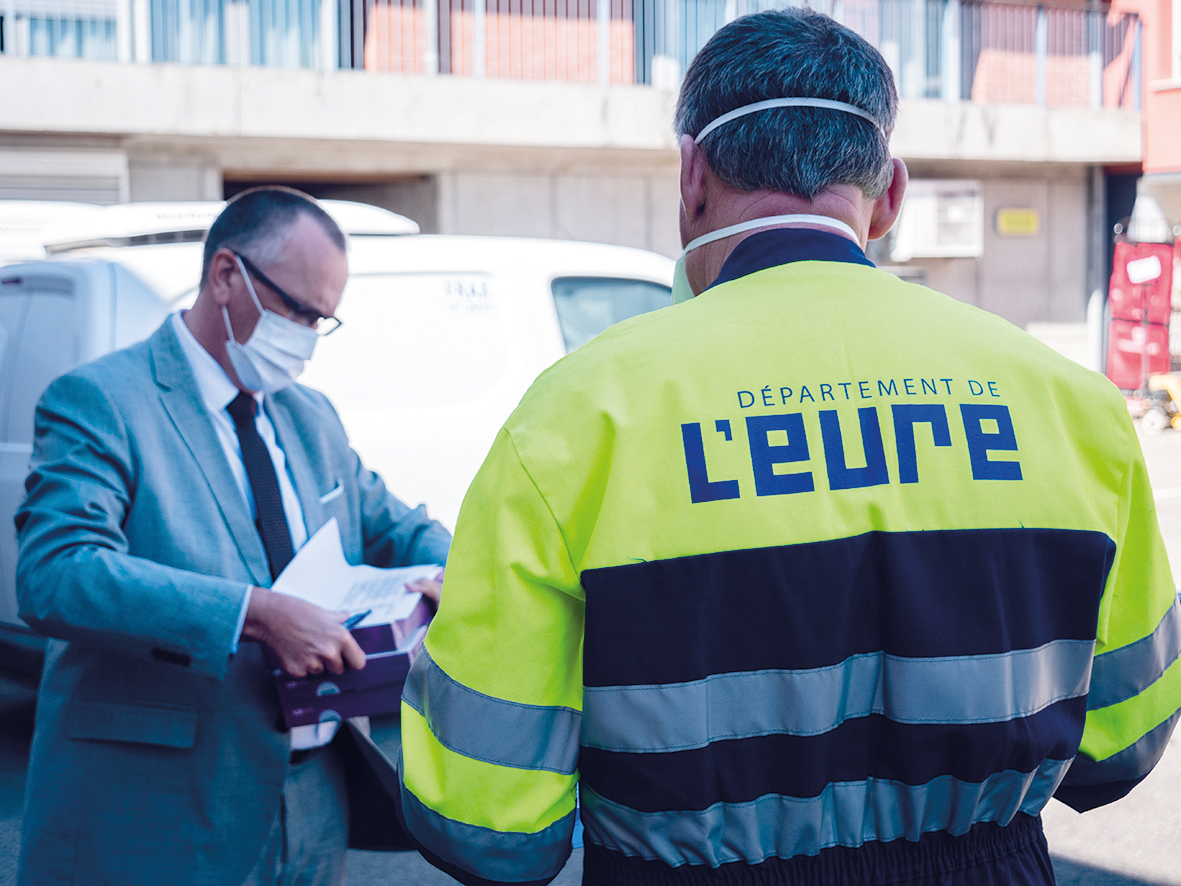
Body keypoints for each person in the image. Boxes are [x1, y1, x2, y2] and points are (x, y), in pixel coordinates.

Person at [395, 9, 1181, 886]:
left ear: (691, 175)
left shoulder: (574, 417)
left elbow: (487, 823)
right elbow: (1121, 744)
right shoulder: (1070, 403)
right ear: (890, 194)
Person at [16, 187, 451, 886]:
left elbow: (394, 525)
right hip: (161, 804)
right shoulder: (102, 400)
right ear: (225, 275)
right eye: (297, 311)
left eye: (322, 321)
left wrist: (453, 570)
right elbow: (57, 573)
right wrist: (256, 614)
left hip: (313, 805)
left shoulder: (309, 415)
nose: (306, 337)